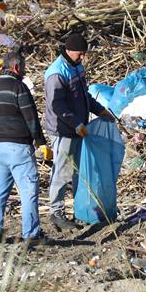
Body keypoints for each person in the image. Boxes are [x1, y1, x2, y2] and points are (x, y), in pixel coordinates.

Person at [0, 50, 51, 245]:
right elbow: (31, 118)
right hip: (18, 147)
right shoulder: (19, 88)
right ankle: (31, 235)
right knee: (28, 192)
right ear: (17, 67)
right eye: (24, 67)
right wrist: (41, 142)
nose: (25, 70)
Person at [43, 33, 111, 230]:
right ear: (69, 50)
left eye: (84, 54)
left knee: (78, 172)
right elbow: (57, 105)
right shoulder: (56, 74)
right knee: (62, 172)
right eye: (80, 54)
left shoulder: (76, 67)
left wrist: (99, 109)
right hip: (63, 130)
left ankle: (80, 210)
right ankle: (56, 212)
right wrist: (76, 124)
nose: (83, 58)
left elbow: (83, 96)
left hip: (78, 129)